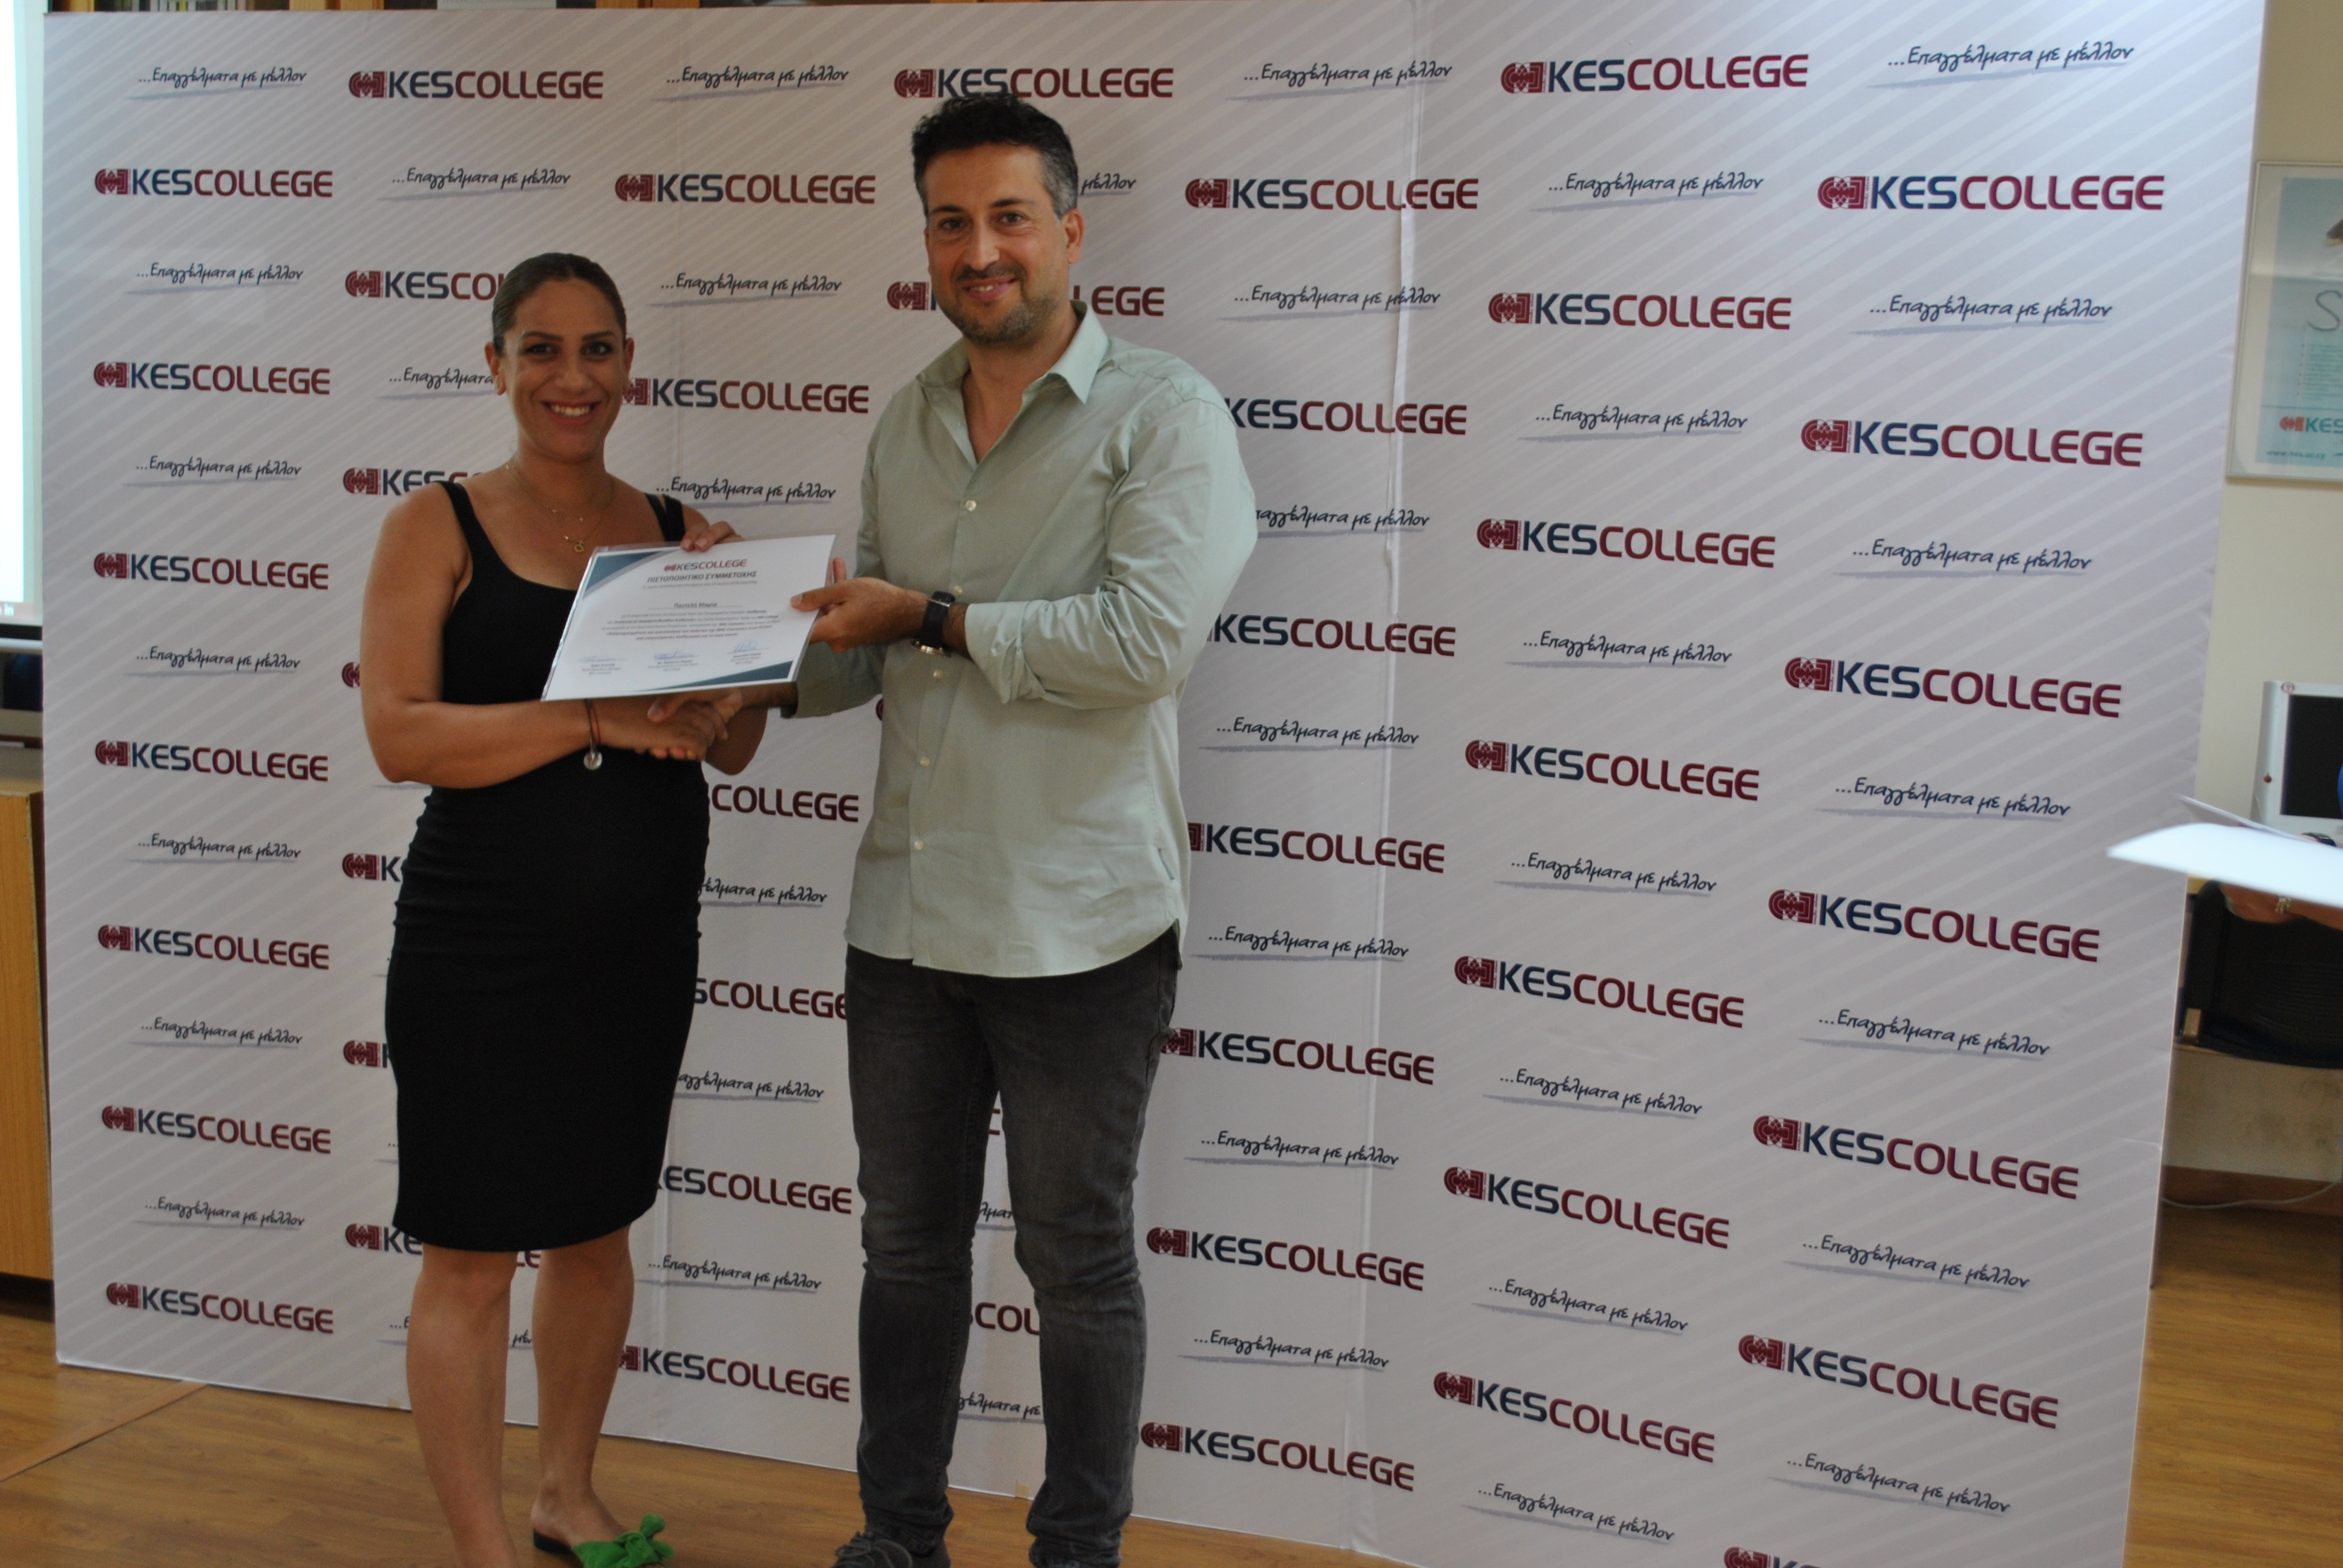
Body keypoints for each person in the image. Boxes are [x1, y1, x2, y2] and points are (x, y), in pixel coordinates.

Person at [665, 91, 1254, 1568]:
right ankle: (898, 1540)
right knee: (907, 1255)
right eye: (949, 222)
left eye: (1007, 218)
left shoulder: (1166, 415)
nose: (978, 250)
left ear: (1070, 229)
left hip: (1080, 926)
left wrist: (929, 615)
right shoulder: (909, 417)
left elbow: (1142, 646)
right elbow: (868, 654)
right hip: (909, 926)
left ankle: (1076, 1554)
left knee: (1076, 1265)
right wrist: (741, 650)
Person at [359, 253, 765, 1568]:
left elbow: (730, 747)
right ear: (496, 365)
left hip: (636, 948)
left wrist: (738, 643)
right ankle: (483, 1543)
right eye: (541, 349)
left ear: (629, 366)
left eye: (597, 350)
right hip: (479, 950)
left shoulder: (679, 531)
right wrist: (588, 716)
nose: (571, 377)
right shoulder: (436, 524)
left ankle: (564, 1497)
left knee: (596, 1232)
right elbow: (400, 735)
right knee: (472, 1256)